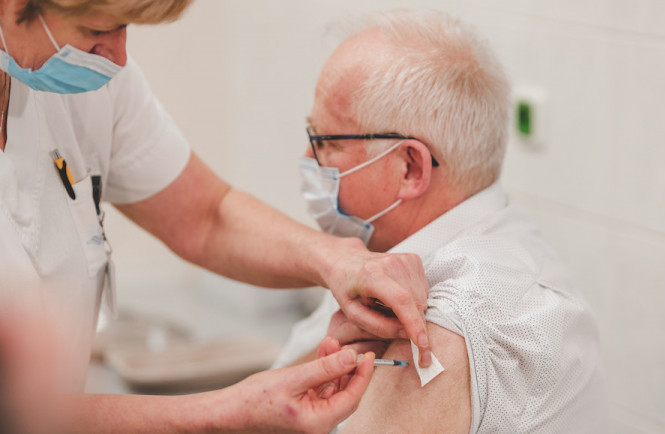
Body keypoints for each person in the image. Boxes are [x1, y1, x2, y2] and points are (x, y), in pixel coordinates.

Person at [0, 0, 435, 431]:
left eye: (125, 27)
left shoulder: (93, 84)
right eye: (97, 31)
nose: (118, 57)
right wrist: (223, 413)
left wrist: (338, 260)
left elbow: (206, 216)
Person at [273, 9, 609, 432]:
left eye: (325, 143)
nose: (308, 159)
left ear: (410, 168)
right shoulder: (386, 258)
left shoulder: (454, 321)